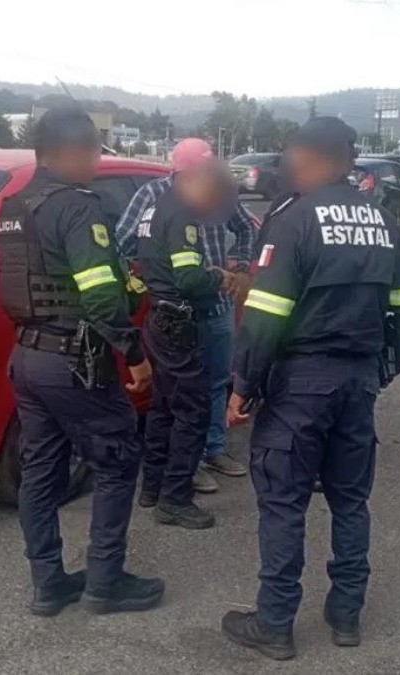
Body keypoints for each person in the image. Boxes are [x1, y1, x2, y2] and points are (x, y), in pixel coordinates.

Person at [220, 117, 400, 660]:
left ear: (308, 157)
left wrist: (243, 385)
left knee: (284, 504)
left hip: (300, 385)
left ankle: (275, 623)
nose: (286, 164)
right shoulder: (386, 224)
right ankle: (346, 615)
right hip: (358, 382)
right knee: (350, 501)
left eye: (290, 155)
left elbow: (264, 317)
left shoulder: (294, 221)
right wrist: (382, 370)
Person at [0, 106, 163, 616]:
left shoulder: (14, 206)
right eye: (93, 150)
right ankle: (105, 582)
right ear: (70, 151)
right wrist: (134, 353)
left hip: (28, 356)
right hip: (73, 360)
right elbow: (100, 296)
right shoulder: (76, 207)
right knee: (116, 461)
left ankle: (48, 583)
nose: (97, 159)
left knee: (42, 469)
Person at [115, 139, 254, 496]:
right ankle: (184, 472)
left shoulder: (218, 196)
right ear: (183, 171)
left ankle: (214, 450)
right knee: (181, 397)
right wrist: (157, 269)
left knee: (217, 380)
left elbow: (245, 227)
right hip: (181, 309)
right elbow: (124, 241)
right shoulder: (156, 196)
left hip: (217, 306)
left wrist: (237, 264)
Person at [136, 145, 237, 529]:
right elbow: (189, 278)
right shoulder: (183, 216)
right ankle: (175, 498)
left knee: (162, 408)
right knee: (192, 413)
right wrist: (219, 276)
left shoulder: (154, 208)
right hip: (178, 324)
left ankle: (153, 486)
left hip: (158, 319)